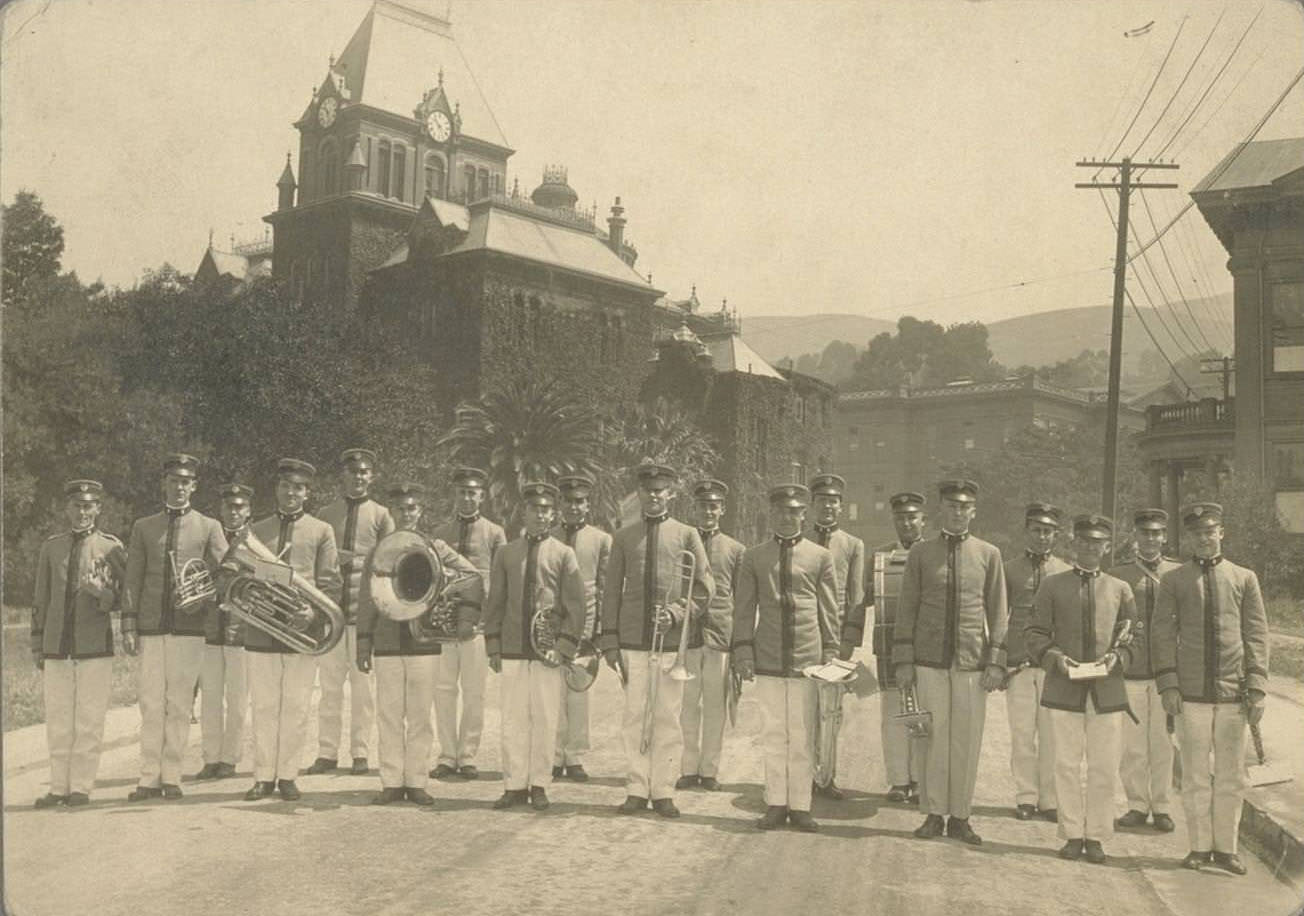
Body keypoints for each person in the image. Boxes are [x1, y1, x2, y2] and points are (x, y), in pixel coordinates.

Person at [1154, 502, 1269, 875]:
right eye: (1197, 533)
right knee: (1195, 775)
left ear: (1222, 532)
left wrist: (1258, 687)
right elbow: (1162, 634)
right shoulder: (1174, 581)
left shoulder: (1244, 578)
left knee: (1232, 776)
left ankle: (1227, 849)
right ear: (1189, 537)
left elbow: (1255, 636)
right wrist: (1169, 683)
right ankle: (1199, 847)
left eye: (1210, 531)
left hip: (1234, 694)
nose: (1204, 538)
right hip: (1190, 695)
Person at [894, 479, 1007, 846]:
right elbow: (906, 609)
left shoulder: (988, 554)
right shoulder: (922, 554)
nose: (958, 512)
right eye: (952, 506)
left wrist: (995, 662)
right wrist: (904, 660)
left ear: (973, 511)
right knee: (931, 739)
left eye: (965, 507)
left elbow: (999, 612)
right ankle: (932, 813)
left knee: (966, 740)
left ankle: (960, 816)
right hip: (929, 661)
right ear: (940, 509)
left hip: (972, 662)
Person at [597, 462, 713, 818]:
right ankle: (636, 789)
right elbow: (611, 593)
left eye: (660, 490)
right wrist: (611, 643)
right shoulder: (623, 536)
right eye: (647, 490)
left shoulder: (687, 534)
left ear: (671, 494)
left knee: (668, 718)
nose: (653, 496)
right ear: (640, 493)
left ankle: (663, 790)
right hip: (633, 642)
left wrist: (677, 613)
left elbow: (705, 588)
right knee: (634, 717)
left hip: (669, 644)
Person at [356, 488, 481, 807]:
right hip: (387, 642)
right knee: (389, 715)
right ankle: (391, 781)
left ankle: (417, 781)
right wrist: (363, 641)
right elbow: (368, 598)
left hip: (424, 642)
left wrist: (455, 606)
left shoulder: (436, 546)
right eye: (399, 509)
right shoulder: (378, 550)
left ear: (420, 512)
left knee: (421, 716)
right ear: (392, 513)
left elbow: (472, 576)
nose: (406, 514)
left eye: (411, 508)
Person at [1026, 514, 1137, 865]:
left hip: (1107, 691)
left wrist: (1118, 657)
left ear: (1107, 548)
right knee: (1066, 764)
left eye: (1098, 542)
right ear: (1073, 544)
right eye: (1084, 541)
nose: (1091, 548)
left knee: (1104, 766)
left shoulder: (1120, 589)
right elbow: (1035, 633)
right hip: (1064, 688)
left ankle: (1098, 836)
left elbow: (1135, 635)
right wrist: (1055, 658)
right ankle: (1073, 834)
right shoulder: (1052, 586)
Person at [732, 484, 839, 831]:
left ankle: (802, 805)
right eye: (781, 511)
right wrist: (743, 649)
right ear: (772, 514)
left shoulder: (820, 556)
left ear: (804, 515)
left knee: (803, 734)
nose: (788, 516)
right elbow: (745, 608)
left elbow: (829, 610)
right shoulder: (754, 556)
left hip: (808, 657)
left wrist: (831, 653)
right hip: (768, 656)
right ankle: (776, 803)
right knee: (774, 733)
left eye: (794, 511)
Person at [124, 453, 228, 801]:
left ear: (194, 486)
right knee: (151, 703)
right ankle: (147, 778)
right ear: (163, 484)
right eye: (173, 481)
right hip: (152, 628)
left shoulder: (209, 525)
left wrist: (203, 597)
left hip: (190, 627)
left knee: (180, 703)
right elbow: (132, 578)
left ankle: (172, 776)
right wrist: (128, 623)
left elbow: (227, 571)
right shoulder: (143, 526)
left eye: (186, 481)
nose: (179, 487)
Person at [243, 458, 342, 802]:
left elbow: (330, 583)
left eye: (298, 488)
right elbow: (243, 574)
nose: (291, 493)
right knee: (264, 706)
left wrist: (312, 612)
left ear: (307, 493)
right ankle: (262, 777)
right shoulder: (256, 529)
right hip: (262, 630)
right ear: (277, 489)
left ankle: (287, 775)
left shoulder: (321, 530)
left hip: (302, 632)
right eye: (285, 486)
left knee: (296, 707)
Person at [485, 482, 586, 811]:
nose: (541, 514)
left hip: (547, 653)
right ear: (524, 513)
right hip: (514, 650)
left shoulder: (563, 554)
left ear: (553, 514)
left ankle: (540, 784)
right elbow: (496, 601)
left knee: (545, 719)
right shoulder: (506, 552)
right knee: (513, 720)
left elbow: (576, 605)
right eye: (535, 509)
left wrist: (564, 646)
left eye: (546, 510)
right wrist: (494, 646)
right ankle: (514, 785)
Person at [31, 480, 127, 808]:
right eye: (76, 505)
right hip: (57, 646)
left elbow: (124, 598)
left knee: (89, 719)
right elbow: (40, 598)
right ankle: (58, 787)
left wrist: (102, 595)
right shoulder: (51, 547)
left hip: (94, 647)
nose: (82, 512)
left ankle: (80, 788)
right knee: (58, 720)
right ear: (66, 508)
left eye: (89, 506)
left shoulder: (112, 547)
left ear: (98, 509)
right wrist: (37, 642)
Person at [310, 448, 394, 777]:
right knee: (329, 690)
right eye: (352, 472)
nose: (358, 477)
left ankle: (360, 752)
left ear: (371, 477)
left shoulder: (381, 515)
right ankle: (326, 753)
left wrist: (356, 561)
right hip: (331, 616)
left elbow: (389, 560)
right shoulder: (324, 514)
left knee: (363, 691)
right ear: (342, 476)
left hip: (363, 618)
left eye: (364, 472)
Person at [430, 467, 506, 781]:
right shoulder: (439, 532)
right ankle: (447, 755)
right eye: (462, 491)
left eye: (472, 492)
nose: (467, 497)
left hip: (478, 624)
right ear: (455, 494)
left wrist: (492, 623)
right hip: (444, 625)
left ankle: (468, 755)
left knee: (474, 693)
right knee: (444, 691)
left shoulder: (495, 533)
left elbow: (500, 582)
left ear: (482, 496)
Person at [1109, 508, 1180, 833]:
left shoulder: (1178, 574)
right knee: (1133, 743)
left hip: (1168, 674)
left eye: (1156, 533)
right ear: (1134, 536)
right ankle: (1137, 804)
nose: (1150, 539)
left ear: (1164, 537)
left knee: (1164, 743)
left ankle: (1162, 806)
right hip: (1132, 671)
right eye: (1145, 533)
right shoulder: (1119, 575)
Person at [675, 479, 744, 792]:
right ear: (695, 508)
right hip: (687, 636)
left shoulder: (735, 549)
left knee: (715, 706)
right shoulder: (681, 544)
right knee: (688, 705)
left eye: (713, 506)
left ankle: (710, 771)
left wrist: (740, 644)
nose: (708, 512)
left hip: (719, 636)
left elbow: (741, 601)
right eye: (703, 505)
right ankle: (688, 769)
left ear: (723, 510)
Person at [1003, 502, 1070, 821]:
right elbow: (998, 618)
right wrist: (999, 660)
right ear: (1026, 531)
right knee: (1022, 734)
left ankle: (1050, 799)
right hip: (1018, 664)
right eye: (1037, 530)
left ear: (1056, 535)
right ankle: (1025, 797)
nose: (1042, 536)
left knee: (1053, 736)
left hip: (1052, 665)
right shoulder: (1009, 569)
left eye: (1048, 531)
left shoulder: (1065, 570)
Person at [806, 473, 864, 801]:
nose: (828, 506)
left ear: (841, 506)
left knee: (831, 712)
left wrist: (848, 641)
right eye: (822, 501)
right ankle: (803, 774)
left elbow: (855, 598)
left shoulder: (853, 545)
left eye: (834, 501)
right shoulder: (798, 539)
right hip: (803, 638)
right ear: (812, 505)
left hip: (835, 640)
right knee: (803, 711)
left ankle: (826, 777)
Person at [868, 491, 926, 803]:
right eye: (901, 517)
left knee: (921, 714)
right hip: (888, 647)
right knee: (892, 715)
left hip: (926, 650)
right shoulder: (879, 557)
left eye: (912, 516)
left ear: (923, 520)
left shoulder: (933, 553)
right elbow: (859, 600)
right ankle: (898, 781)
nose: (906, 522)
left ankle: (919, 779)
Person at [552, 474, 611, 782]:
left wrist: (599, 631)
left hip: (585, 624)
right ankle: (553, 755)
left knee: (577, 692)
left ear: (588, 505)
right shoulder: (548, 534)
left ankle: (574, 757)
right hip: (551, 623)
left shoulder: (601, 540)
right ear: (560, 504)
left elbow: (604, 587)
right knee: (552, 692)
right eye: (568, 501)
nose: (573, 507)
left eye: (579, 501)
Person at [194, 483, 254, 781]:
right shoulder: (207, 539)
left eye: (240, 506)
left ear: (249, 511)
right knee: (210, 698)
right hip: (209, 627)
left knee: (238, 699)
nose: (234, 512)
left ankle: (230, 758)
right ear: (221, 510)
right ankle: (210, 757)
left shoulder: (256, 542)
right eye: (229, 506)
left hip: (240, 630)